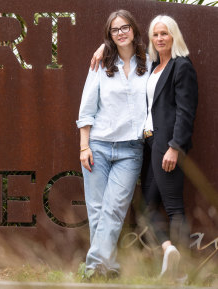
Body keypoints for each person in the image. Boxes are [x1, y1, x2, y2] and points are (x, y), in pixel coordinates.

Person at [90, 15, 198, 279]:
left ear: (174, 36)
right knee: (146, 209)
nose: (160, 39)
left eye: (165, 34)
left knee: (173, 207)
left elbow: (186, 112)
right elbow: (126, 46)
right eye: (155, 35)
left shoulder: (181, 66)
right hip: (149, 143)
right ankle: (170, 250)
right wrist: (105, 46)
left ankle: (181, 273)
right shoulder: (152, 65)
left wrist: (175, 147)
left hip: (167, 146)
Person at [76, 10, 150, 279]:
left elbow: (165, 41)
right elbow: (86, 109)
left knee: (114, 209)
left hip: (131, 149)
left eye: (125, 28)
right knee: (97, 211)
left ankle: (94, 267)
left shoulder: (149, 62)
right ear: (109, 34)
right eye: (115, 30)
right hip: (98, 146)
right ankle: (109, 268)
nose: (121, 33)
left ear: (133, 30)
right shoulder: (100, 65)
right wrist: (84, 147)